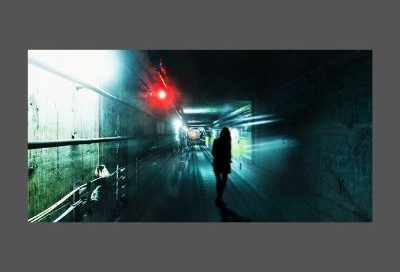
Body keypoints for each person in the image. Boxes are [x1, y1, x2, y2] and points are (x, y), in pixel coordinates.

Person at [211, 127, 232, 207]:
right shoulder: (228, 142)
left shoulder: (216, 141)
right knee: (224, 182)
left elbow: (213, 152)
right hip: (225, 164)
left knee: (218, 181)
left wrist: (218, 156)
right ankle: (219, 197)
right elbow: (229, 153)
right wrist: (228, 159)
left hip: (217, 163)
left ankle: (219, 197)